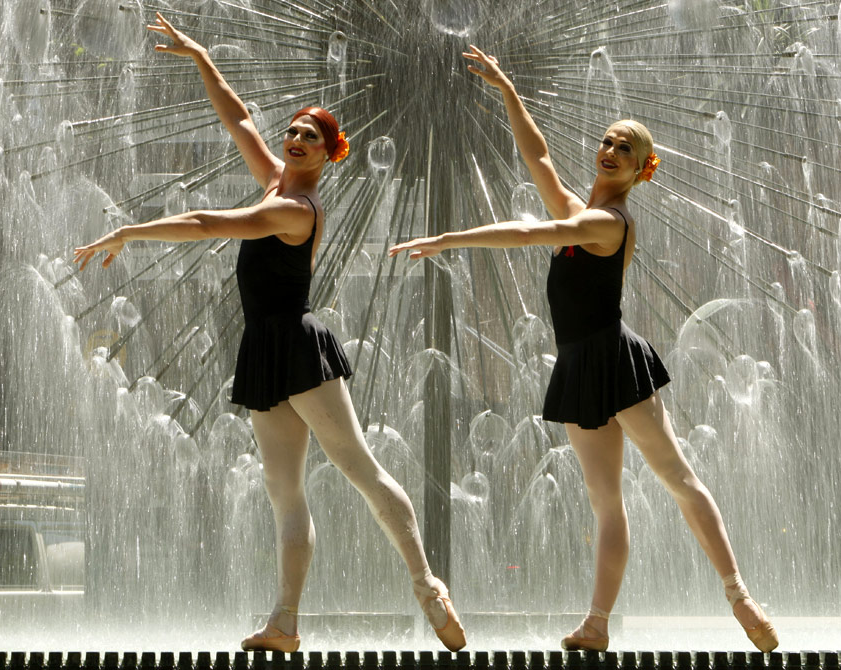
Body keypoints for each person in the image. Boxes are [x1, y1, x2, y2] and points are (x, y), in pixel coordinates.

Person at [74, 13, 465, 653]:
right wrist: (201, 55)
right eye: (293, 131)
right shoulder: (277, 183)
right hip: (261, 348)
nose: (295, 139)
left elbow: (206, 223)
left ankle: (428, 586)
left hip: (297, 344)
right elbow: (239, 120)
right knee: (284, 493)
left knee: (360, 470)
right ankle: (285, 623)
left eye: (310, 135)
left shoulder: (294, 208)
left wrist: (128, 231)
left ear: (329, 153)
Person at [388, 45, 778, 653]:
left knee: (677, 477)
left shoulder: (608, 222)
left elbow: (531, 231)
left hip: (614, 359)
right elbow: (538, 155)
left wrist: (450, 238)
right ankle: (597, 625)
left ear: (641, 169)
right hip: (577, 366)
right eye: (608, 141)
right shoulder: (581, 208)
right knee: (606, 503)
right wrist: (507, 90)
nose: (611, 150)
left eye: (626, 148)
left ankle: (739, 595)